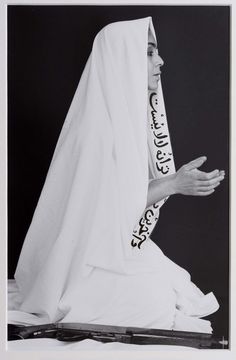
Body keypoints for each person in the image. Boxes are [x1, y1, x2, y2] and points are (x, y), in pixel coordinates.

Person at [9, 17, 225, 333]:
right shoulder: (95, 130)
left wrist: (173, 182)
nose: (160, 61)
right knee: (154, 302)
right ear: (122, 59)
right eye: (149, 52)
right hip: (87, 261)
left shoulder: (127, 116)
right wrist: (172, 184)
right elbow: (102, 215)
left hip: (116, 248)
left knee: (172, 287)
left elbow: (121, 194)